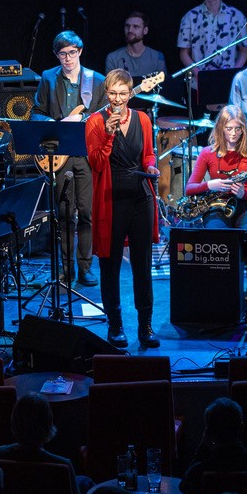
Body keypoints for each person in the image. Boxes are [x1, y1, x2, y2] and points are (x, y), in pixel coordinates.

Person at [85, 69, 161, 349]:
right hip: (112, 197)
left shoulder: (143, 119)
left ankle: (145, 325)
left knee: (142, 264)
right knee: (110, 264)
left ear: (131, 93)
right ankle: (115, 324)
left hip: (140, 196)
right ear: (106, 93)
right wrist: (107, 134)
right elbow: (95, 162)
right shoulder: (95, 121)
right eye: (112, 93)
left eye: (123, 93)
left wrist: (151, 167)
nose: (117, 99)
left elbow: (148, 154)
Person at [33, 30, 108, 285]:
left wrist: (86, 120)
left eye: (72, 53)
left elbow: (105, 116)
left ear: (80, 51)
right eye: (63, 54)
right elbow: (36, 112)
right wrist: (56, 124)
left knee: (86, 212)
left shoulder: (96, 80)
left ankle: (85, 268)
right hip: (59, 155)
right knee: (65, 214)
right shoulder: (48, 78)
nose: (68, 58)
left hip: (86, 155)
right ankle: (67, 268)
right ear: (57, 55)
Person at [185, 105, 247, 302]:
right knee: (217, 237)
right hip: (218, 205)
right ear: (220, 128)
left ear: (244, 129)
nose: (233, 133)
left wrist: (244, 193)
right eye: (229, 128)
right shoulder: (207, 153)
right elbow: (190, 188)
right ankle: (222, 287)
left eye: (238, 128)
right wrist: (210, 184)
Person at [0, 392, 90, 494]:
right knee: (85, 482)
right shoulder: (64, 465)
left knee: (82, 480)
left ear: (14, 421)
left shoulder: (1, 454)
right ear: (48, 423)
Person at [179, 397, 247, 494]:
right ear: (241, 428)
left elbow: (184, 488)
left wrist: (203, 447)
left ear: (209, 433)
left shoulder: (201, 470)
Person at [177, 0, 247, 85]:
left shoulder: (236, 16)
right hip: (199, 81)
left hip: (228, 80)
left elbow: (244, 50)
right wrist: (198, 74)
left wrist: (234, 74)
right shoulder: (190, 17)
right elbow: (183, 52)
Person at [103, 9, 167, 78]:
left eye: (135, 26)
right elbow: (111, 84)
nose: (130, 30)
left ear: (145, 30)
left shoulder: (157, 57)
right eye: (127, 26)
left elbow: (164, 83)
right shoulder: (113, 58)